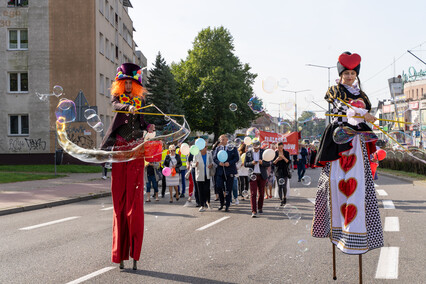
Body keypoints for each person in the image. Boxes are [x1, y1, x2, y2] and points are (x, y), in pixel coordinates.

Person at [312, 52, 383, 255]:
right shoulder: (335, 90)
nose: (350, 76)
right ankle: (335, 227)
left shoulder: (362, 94)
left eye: (353, 73)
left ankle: (357, 231)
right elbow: (342, 107)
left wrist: (365, 115)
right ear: (341, 74)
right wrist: (362, 113)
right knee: (334, 181)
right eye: (346, 73)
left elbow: (364, 111)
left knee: (358, 182)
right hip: (339, 138)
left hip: (357, 139)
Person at [100, 62, 148, 270]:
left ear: (135, 85)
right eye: (125, 83)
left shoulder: (141, 100)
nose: (128, 87)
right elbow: (115, 106)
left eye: (131, 83)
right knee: (119, 204)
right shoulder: (119, 98)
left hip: (137, 151)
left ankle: (135, 253)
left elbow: (144, 121)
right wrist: (127, 106)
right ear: (121, 84)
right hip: (120, 150)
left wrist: (150, 125)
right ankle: (119, 254)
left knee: (135, 205)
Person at [244, 139, 271, 217]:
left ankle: (260, 207)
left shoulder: (263, 152)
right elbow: (245, 164)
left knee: (261, 193)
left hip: (261, 175)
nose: (256, 148)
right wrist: (251, 163)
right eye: (255, 146)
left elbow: (268, 163)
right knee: (253, 193)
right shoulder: (248, 153)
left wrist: (263, 163)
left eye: (258, 146)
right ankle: (254, 211)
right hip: (253, 175)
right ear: (252, 146)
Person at [213, 134, 239, 212]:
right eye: (220, 139)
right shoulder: (218, 148)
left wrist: (229, 163)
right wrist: (219, 163)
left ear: (227, 139)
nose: (221, 141)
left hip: (229, 171)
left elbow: (236, 158)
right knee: (219, 186)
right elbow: (214, 158)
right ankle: (221, 203)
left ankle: (227, 205)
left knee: (228, 189)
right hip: (220, 171)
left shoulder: (233, 148)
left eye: (223, 139)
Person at [193, 145, 214, 211]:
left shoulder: (209, 153)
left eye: (205, 147)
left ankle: (208, 202)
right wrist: (195, 164)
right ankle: (202, 205)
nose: (204, 148)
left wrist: (211, 164)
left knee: (207, 190)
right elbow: (193, 163)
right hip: (199, 175)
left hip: (207, 174)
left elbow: (212, 161)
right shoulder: (196, 154)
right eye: (202, 147)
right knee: (200, 190)